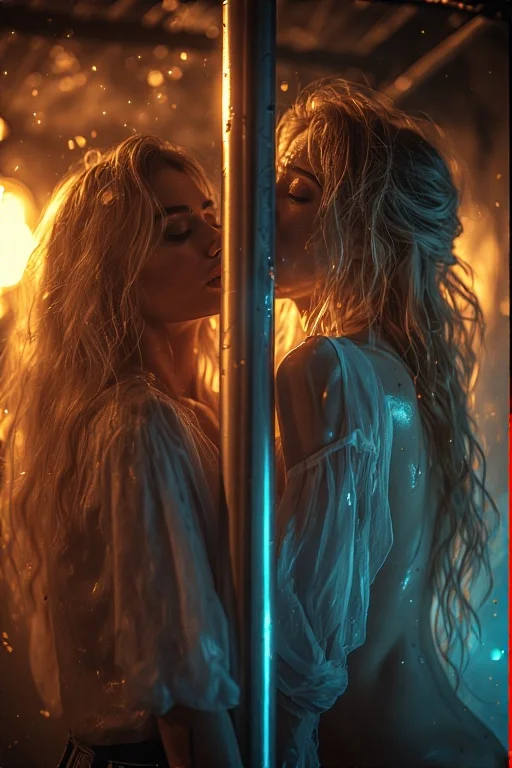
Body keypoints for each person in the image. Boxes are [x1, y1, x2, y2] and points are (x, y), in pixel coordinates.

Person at [273, 80, 506, 767]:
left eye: (298, 192)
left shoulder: (330, 370)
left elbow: (305, 650)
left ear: (364, 224)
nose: (264, 207)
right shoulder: (397, 373)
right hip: (444, 740)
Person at [0, 135, 242, 768]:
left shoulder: (195, 411)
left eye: (212, 215)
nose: (217, 240)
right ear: (113, 274)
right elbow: (184, 695)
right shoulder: (137, 423)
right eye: (176, 231)